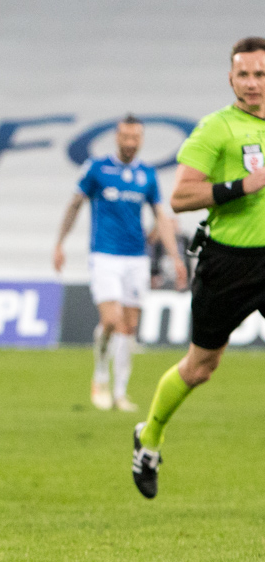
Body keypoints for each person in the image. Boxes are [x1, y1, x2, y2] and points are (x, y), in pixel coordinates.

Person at [133, 37, 265, 499]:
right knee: (200, 368)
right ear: (230, 78)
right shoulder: (216, 129)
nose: (252, 83)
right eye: (244, 74)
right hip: (229, 264)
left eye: (260, 74)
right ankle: (149, 437)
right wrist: (244, 185)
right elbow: (181, 197)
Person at [53, 115, 185, 413]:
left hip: (136, 258)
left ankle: (120, 392)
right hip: (104, 255)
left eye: (135, 138)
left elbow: (161, 217)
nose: (129, 143)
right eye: (125, 137)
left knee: (130, 327)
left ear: (141, 139)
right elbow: (75, 204)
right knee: (112, 321)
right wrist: (60, 243)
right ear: (116, 137)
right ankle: (100, 377)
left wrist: (175, 257)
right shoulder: (97, 169)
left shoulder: (147, 175)